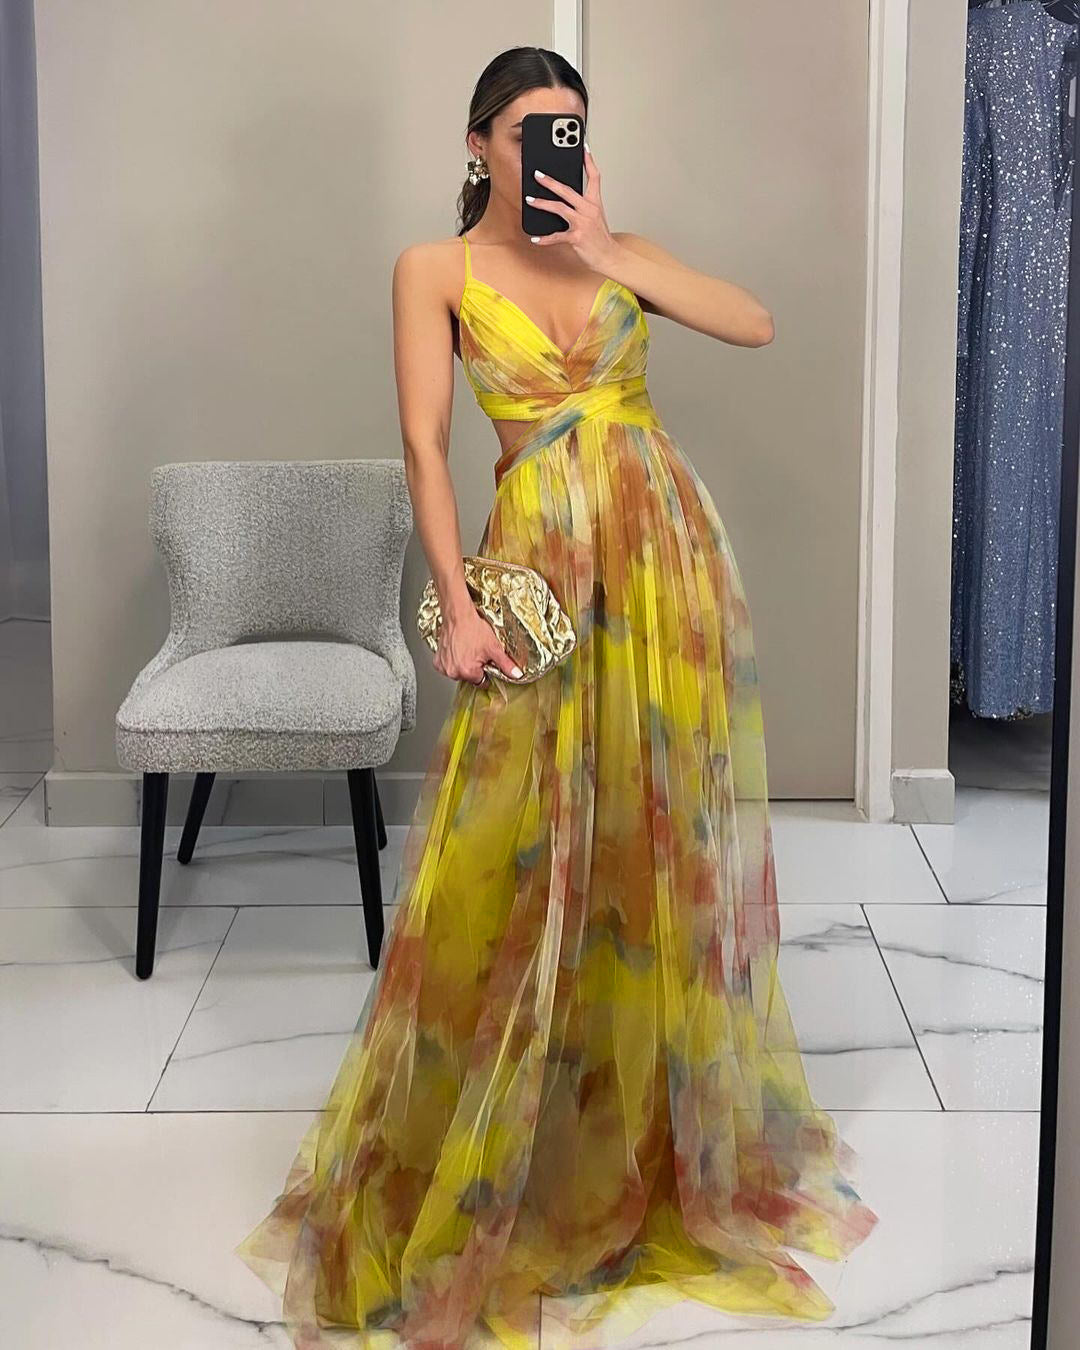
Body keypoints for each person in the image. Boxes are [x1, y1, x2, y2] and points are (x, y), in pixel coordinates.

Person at [235, 45, 878, 1350]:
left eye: (572, 128)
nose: (552, 149)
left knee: (653, 834)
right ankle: (511, 1133)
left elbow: (754, 321)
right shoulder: (434, 269)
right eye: (532, 128)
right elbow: (424, 444)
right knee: (520, 841)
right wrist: (457, 603)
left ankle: (634, 1135)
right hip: (533, 572)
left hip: (663, 565)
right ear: (481, 143)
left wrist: (608, 251)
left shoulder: (616, 247)